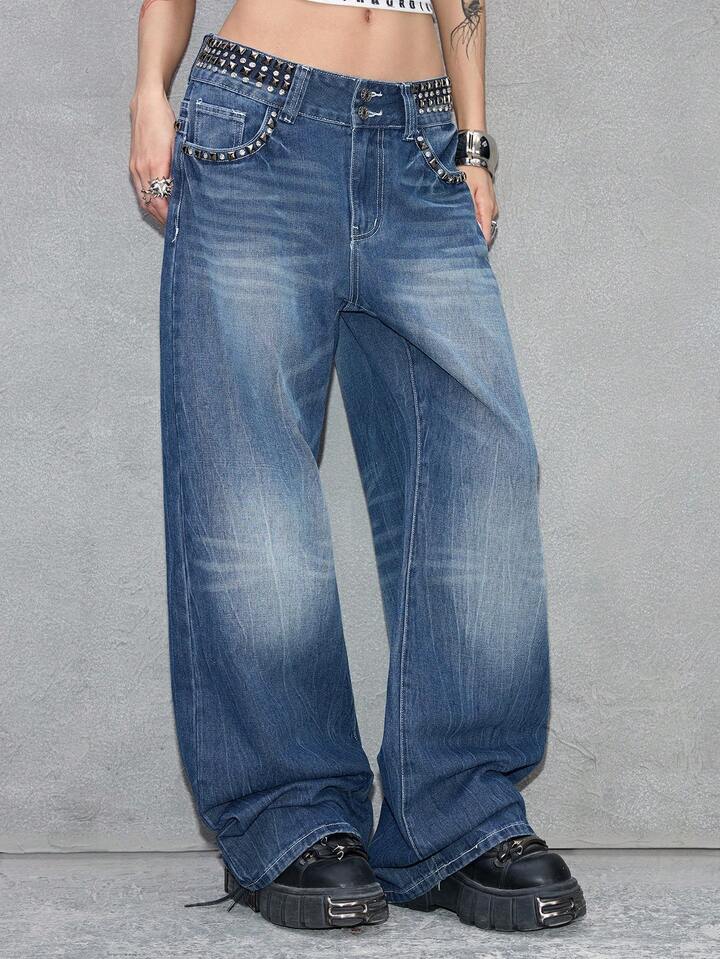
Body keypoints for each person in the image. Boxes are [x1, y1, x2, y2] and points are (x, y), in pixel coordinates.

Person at [129, 0, 586, 932]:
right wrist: (149, 90)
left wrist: (474, 144)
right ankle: (293, 813)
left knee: (483, 467)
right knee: (253, 488)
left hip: (422, 143)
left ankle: (456, 814)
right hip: (257, 128)